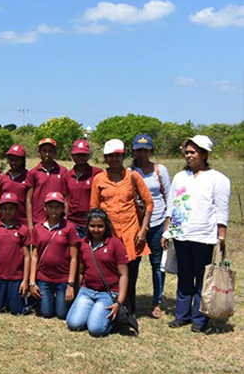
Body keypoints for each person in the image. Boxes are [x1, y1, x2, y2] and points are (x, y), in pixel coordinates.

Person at [161, 135, 230, 333]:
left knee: (202, 278)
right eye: (187, 152)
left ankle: (200, 319)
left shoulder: (218, 179)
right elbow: (172, 205)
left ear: (205, 154)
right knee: (184, 275)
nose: (189, 155)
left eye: (193, 152)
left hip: (204, 236)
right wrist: (167, 231)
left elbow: (221, 209)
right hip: (181, 235)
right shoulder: (180, 177)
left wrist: (221, 235)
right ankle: (182, 315)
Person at [90, 139, 153, 315]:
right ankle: (110, 308)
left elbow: (149, 203)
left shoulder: (133, 177)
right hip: (109, 236)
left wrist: (143, 229)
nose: (114, 159)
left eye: (118, 155)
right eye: (110, 156)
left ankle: (128, 311)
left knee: (130, 274)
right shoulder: (99, 179)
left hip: (132, 235)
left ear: (123, 156)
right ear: (105, 158)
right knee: (111, 274)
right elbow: (94, 208)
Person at [66, 209, 128, 337]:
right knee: (73, 324)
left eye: (100, 226)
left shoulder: (115, 244)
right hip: (87, 291)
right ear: (87, 226)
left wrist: (119, 302)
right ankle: (93, 313)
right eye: (92, 226)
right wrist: (75, 290)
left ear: (106, 226)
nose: (96, 229)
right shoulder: (83, 243)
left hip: (108, 293)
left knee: (95, 330)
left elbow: (124, 275)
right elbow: (81, 271)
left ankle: (109, 320)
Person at [131, 134, 171, 319]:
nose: (142, 153)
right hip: (137, 224)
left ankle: (157, 302)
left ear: (151, 151)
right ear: (133, 151)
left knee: (157, 264)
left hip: (157, 222)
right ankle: (130, 301)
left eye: (145, 150)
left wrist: (167, 227)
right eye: (139, 150)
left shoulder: (159, 170)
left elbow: (169, 197)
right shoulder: (129, 171)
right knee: (133, 264)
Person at [29, 192, 80, 320]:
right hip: (44, 278)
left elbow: (74, 258)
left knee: (62, 314)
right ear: (44, 208)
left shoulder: (69, 228)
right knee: (46, 313)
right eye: (50, 206)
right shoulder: (38, 227)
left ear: (63, 208)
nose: (53, 210)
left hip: (63, 279)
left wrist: (71, 284)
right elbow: (34, 255)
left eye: (57, 207)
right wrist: (32, 282)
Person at [0, 192, 31, 314]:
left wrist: (25, 280)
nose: (8, 212)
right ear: (0, 210)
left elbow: (27, 256)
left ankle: (29, 302)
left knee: (17, 311)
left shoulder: (23, 230)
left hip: (16, 277)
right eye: (4, 208)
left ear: (17, 209)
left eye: (11, 208)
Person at [62, 140, 102, 238]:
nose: (81, 157)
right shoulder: (67, 176)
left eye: (83, 155)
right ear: (72, 156)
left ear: (88, 156)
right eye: (78, 155)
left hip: (92, 222)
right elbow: (66, 199)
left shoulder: (97, 173)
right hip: (72, 222)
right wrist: (64, 220)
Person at [26, 138, 67, 228]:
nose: (47, 154)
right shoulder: (33, 172)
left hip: (57, 219)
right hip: (38, 219)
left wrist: (65, 219)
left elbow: (66, 198)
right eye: (44, 151)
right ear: (39, 152)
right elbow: (29, 200)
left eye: (50, 151)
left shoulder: (63, 171)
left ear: (55, 153)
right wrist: (30, 225)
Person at [0, 145, 30, 227]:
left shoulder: (29, 177)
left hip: (23, 221)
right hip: (6, 221)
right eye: (11, 159)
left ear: (22, 161)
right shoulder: (3, 177)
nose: (13, 163)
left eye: (16, 160)